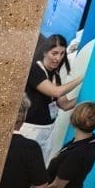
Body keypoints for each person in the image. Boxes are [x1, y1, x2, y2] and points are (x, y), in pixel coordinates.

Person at [22, 34, 84, 163]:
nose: (58, 58)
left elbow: (65, 105)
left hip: (48, 130)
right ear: (45, 52)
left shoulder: (56, 75)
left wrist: (87, 95)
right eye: (54, 53)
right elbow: (56, 92)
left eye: (62, 54)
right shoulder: (35, 69)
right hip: (31, 129)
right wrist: (82, 78)